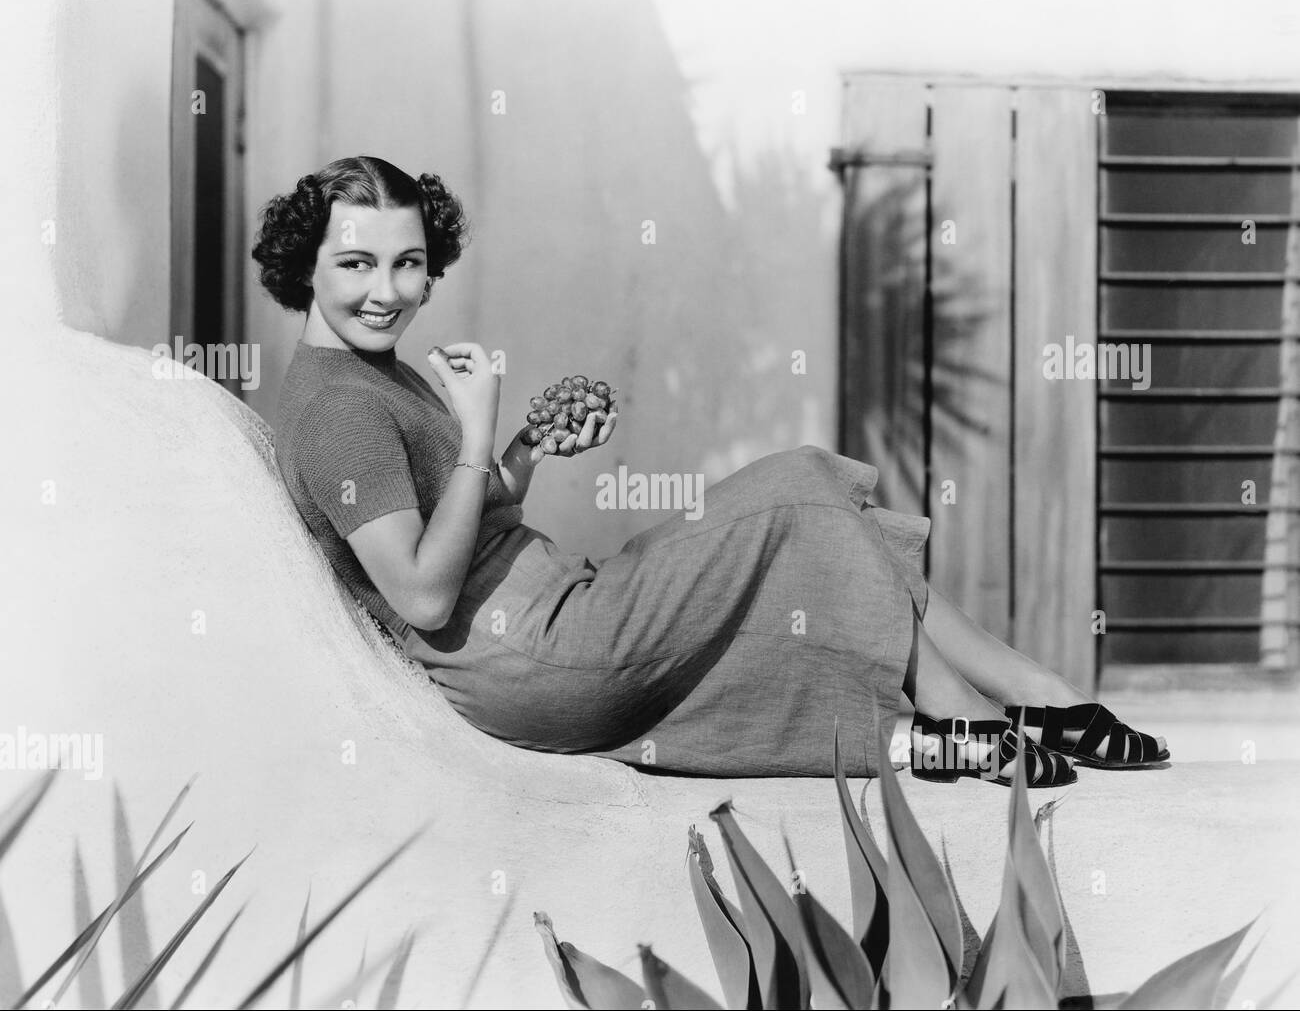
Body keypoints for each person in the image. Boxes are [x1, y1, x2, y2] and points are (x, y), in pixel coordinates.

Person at [259, 156, 1169, 788]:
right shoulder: (340, 410)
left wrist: (522, 449)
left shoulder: (367, 370)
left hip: (554, 615)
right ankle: (967, 713)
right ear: (307, 265)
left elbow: (474, 521)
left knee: (817, 502)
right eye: (356, 263)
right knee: (800, 491)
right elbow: (422, 595)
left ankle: (1028, 703)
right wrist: (474, 432)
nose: (387, 289)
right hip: (537, 655)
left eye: (409, 262)